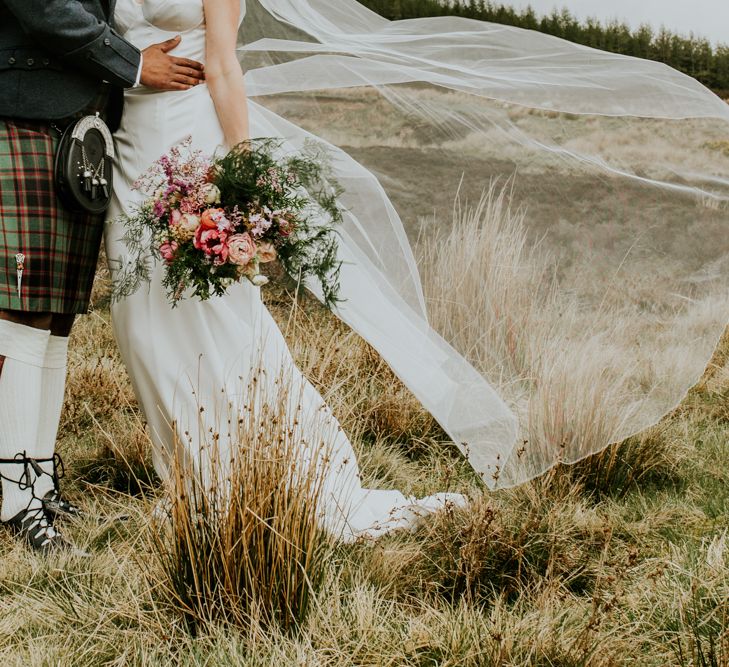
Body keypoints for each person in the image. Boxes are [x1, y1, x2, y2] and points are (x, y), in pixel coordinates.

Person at [107, 0, 728, 540]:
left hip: (190, 140)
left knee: (213, 313)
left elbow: (222, 65)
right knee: (142, 321)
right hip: (132, 145)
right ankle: (194, 479)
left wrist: (242, 171)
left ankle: (245, 479)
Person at [0, 0, 206, 553]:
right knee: (20, 309)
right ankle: (14, 496)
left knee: (56, 313)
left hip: (83, 126)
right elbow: (46, 8)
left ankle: (37, 480)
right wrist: (134, 65)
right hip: (22, 112)